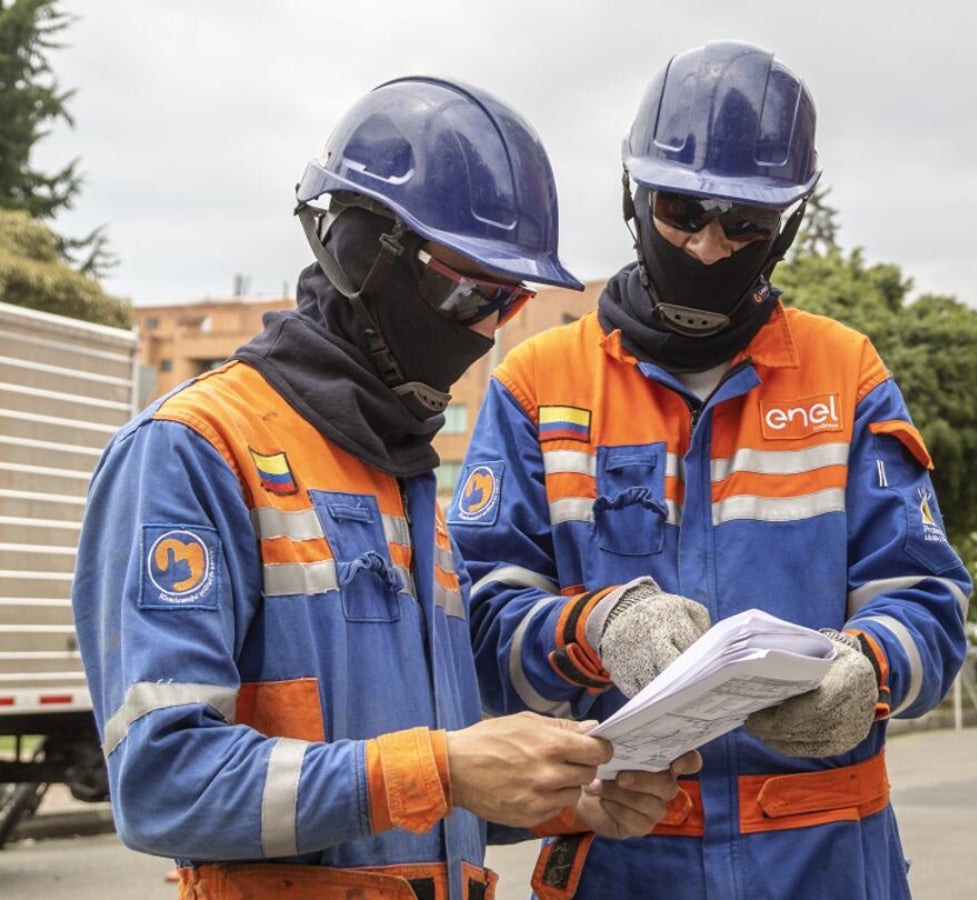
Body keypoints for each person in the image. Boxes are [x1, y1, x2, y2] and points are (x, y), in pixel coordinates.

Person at [71, 76, 699, 900]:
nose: (484, 327)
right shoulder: (193, 450)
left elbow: (422, 784)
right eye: (468, 289)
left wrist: (565, 796)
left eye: (506, 300)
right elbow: (162, 784)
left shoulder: (401, 475)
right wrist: (444, 767)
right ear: (362, 249)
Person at [448, 41, 972, 899]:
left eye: (746, 224)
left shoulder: (848, 376)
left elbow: (928, 600)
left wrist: (868, 670)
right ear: (632, 194)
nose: (707, 245)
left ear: (786, 227)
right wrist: (592, 628)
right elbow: (477, 618)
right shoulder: (539, 385)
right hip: (622, 864)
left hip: (827, 866)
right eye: (681, 210)